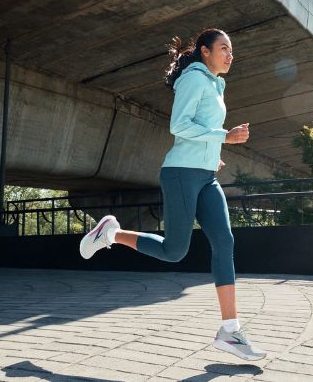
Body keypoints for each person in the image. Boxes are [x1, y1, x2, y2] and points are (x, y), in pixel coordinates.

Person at [79, 28, 265, 361]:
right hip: (181, 174)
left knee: (224, 242)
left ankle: (230, 331)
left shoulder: (213, 83)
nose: (230, 54)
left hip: (206, 176)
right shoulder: (194, 79)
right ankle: (112, 233)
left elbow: (197, 129)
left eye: (232, 50)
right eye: (224, 48)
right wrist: (225, 136)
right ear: (205, 52)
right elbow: (178, 125)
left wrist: (212, 153)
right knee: (174, 251)